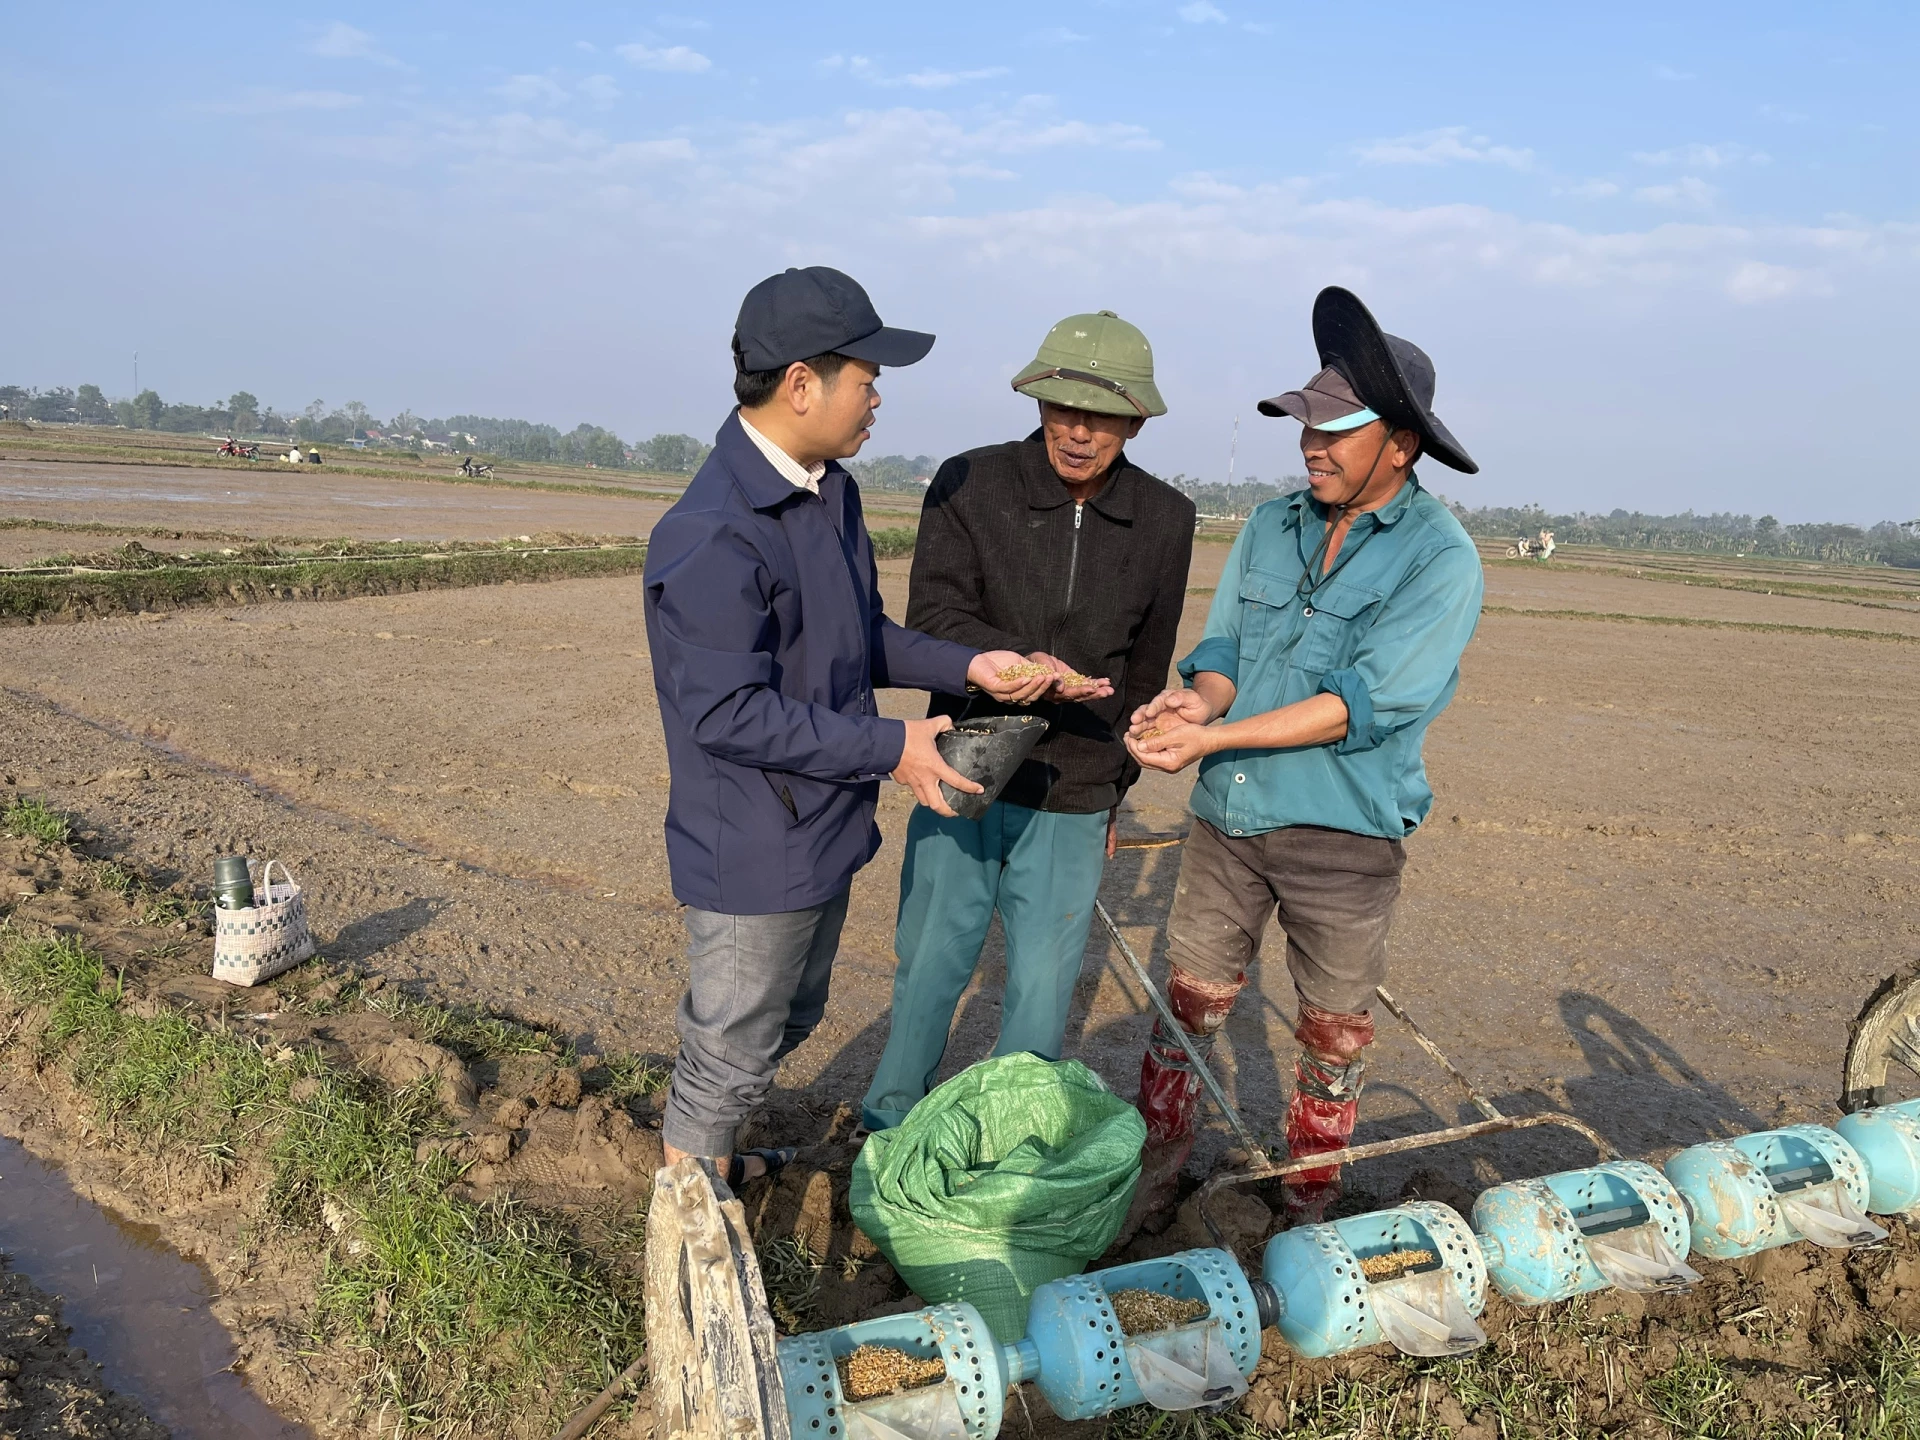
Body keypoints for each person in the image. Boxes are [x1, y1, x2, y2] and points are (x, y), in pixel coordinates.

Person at [643, 266, 1041, 1189]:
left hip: (819, 821)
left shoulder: (830, 493)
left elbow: (857, 638)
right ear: (799, 384)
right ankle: (693, 1219)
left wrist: (970, 667)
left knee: (789, 1015)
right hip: (751, 844)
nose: (876, 400)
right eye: (867, 379)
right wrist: (894, 745)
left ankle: (710, 1160)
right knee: (732, 1043)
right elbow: (725, 711)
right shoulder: (713, 533)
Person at [1123, 287, 1484, 1224]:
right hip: (1230, 820)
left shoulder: (1439, 561)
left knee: (1331, 1036)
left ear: (1399, 443)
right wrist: (1186, 704)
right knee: (1187, 1011)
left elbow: (1354, 706)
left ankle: (1306, 1210)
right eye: (1304, 427)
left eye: (1335, 430)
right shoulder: (1268, 527)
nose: (1311, 446)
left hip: (1343, 837)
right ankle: (1151, 1186)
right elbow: (1226, 657)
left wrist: (1211, 737)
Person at [860, 311, 1196, 1132]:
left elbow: (1146, 670)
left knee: (1042, 992)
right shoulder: (970, 482)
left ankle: (1003, 1159)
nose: (1076, 432)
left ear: (1137, 421)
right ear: (1037, 403)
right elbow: (933, 614)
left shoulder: (1166, 520)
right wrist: (1015, 664)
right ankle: (886, 1129)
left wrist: (1116, 788)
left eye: (1100, 416)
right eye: (1060, 408)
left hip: (1078, 783)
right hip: (965, 760)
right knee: (932, 961)